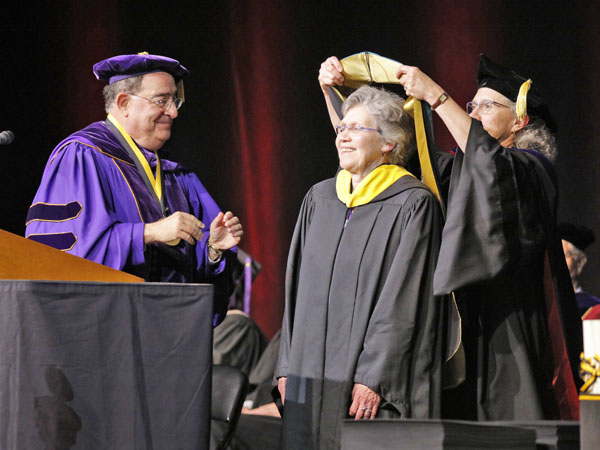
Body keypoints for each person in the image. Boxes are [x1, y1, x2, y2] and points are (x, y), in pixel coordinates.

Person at [389, 54, 582, 420]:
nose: (474, 114)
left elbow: (491, 164)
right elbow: (392, 156)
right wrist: (337, 95)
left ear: (519, 120)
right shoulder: (457, 166)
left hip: (514, 318)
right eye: (471, 106)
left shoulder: (532, 167)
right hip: (462, 320)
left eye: (487, 106)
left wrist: (437, 96)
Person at [276, 85, 450, 450]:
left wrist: (375, 378)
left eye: (357, 128)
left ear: (388, 143)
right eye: (342, 129)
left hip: (366, 384)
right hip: (308, 373)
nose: (343, 136)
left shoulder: (413, 204)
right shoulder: (319, 198)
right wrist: (286, 365)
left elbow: (403, 303)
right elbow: (295, 291)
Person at [25, 53, 243, 320]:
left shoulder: (175, 174)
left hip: (171, 334)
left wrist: (213, 250)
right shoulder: (82, 157)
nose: (173, 112)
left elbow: (196, 273)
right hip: (106, 334)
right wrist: (147, 233)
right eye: (161, 101)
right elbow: (63, 259)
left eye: (174, 101)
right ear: (123, 103)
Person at [559, 222, 600, 315]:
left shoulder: (594, 310)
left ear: (580, 262)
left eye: (564, 255)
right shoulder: (544, 306)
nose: (558, 262)